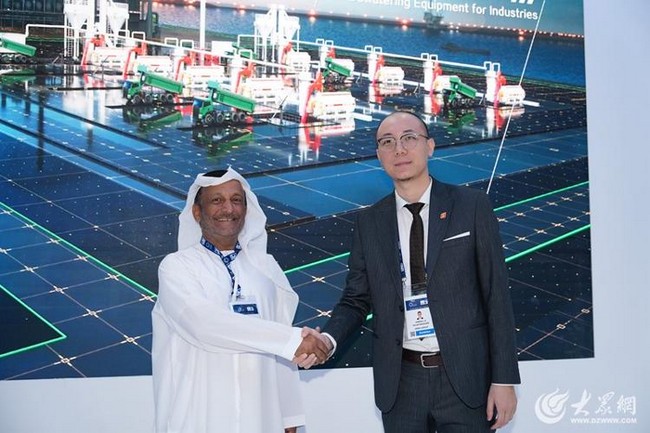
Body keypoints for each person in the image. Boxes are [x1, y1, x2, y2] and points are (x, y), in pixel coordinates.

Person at [318, 111, 521, 432]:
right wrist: (327, 339)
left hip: (465, 378)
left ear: (430, 146)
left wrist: (504, 379)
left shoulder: (471, 206)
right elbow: (356, 299)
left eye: (409, 138)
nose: (399, 149)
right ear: (378, 154)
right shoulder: (369, 222)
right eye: (387, 142)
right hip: (401, 383)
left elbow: (496, 295)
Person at [152, 167, 328, 433]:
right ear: (197, 212)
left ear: (247, 210)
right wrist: (292, 340)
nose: (228, 208)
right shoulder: (177, 267)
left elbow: (282, 355)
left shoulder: (266, 269)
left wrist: (289, 420)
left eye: (236, 200)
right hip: (199, 418)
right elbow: (203, 324)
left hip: (261, 419)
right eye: (217, 200)